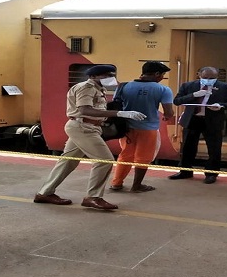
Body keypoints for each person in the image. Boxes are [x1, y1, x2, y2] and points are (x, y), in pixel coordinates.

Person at [34, 64, 146, 210]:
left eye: (112, 75)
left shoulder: (98, 89)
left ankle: (44, 193)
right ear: (93, 76)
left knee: (68, 161)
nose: (110, 78)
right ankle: (93, 197)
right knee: (105, 161)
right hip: (83, 127)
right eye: (106, 75)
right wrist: (119, 113)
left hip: (86, 127)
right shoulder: (86, 88)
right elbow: (85, 110)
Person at [109, 61, 174, 192]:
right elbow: (168, 112)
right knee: (143, 157)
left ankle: (116, 183)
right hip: (148, 129)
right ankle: (136, 185)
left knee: (125, 155)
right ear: (157, 74)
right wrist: (167, 116)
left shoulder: (124, 86)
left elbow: (116, 104)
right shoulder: (163, 89)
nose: (162, 77)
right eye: (162, 75)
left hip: (126, 127)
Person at [169, 66, 227, 184]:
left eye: (212, 78)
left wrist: (221, 105)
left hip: (213, 120)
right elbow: (177, 101)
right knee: (187, 147)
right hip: (192, 119)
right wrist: (194, 95)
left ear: (217, 77)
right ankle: (185, 171)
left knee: (214, 148)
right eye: (206, 77)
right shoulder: (188, 86)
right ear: (199, 75)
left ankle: (211, 174)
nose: (208, 80)